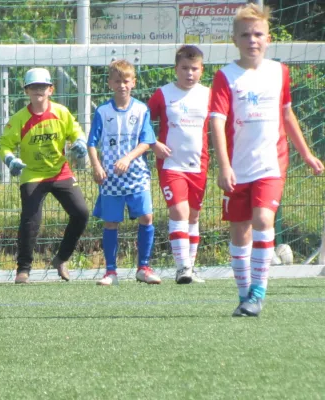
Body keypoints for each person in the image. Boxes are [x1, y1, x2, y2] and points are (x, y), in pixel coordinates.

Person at [210, 4, 323, 316]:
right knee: (240, 232)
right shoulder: (225, 76)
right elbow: (217, 122)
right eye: (245, 34)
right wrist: (224, 166)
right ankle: (245, 293)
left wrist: (307, 154)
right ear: (235, 39)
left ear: (268, 38)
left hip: (271, 164)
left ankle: (258, 291)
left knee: (262, 220)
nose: (252, 39)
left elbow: (286, 113)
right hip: (237, 167)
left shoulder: (279, 72)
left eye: (258, 33)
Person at [0, 68, 89, 284]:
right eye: (33, 87)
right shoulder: (19, 119)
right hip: (33, 174)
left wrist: (80, 143)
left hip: (60, 172)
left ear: (51, 89)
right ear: (26, 91)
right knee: (31, 220)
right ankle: (23, 269)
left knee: (81, 213)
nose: (38, 90)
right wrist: (11, 160)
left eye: (42, 86)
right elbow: (4, 144)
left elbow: (76, 132)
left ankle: (62, 258)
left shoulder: (61, 112)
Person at [88, 59, 160, 286]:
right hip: (110, 177)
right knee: (111, 222)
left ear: (133, 83)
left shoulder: (141, 109)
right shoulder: (102, 111)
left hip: (136, 173)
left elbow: (147, 141)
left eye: (126, 81)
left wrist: (128, 158)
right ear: (110, 83)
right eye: (117, 81)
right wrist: (97, 166)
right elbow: (91, 143)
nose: (122, 85)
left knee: (146, 216)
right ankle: (111, 272)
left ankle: (144, 267)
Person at [148, 45, 210, 285]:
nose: (189, 73)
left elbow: (221, 126)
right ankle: (182, 267)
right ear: (176, 69)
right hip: (171, 165)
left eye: (194, 68)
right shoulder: (163, 94)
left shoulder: (209, 94)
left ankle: (190, 268)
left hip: (199, 165)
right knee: (179, 212)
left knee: (193, 216)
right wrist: (153, 144)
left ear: (201, 70)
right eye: (184, 68)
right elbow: (143, 122)